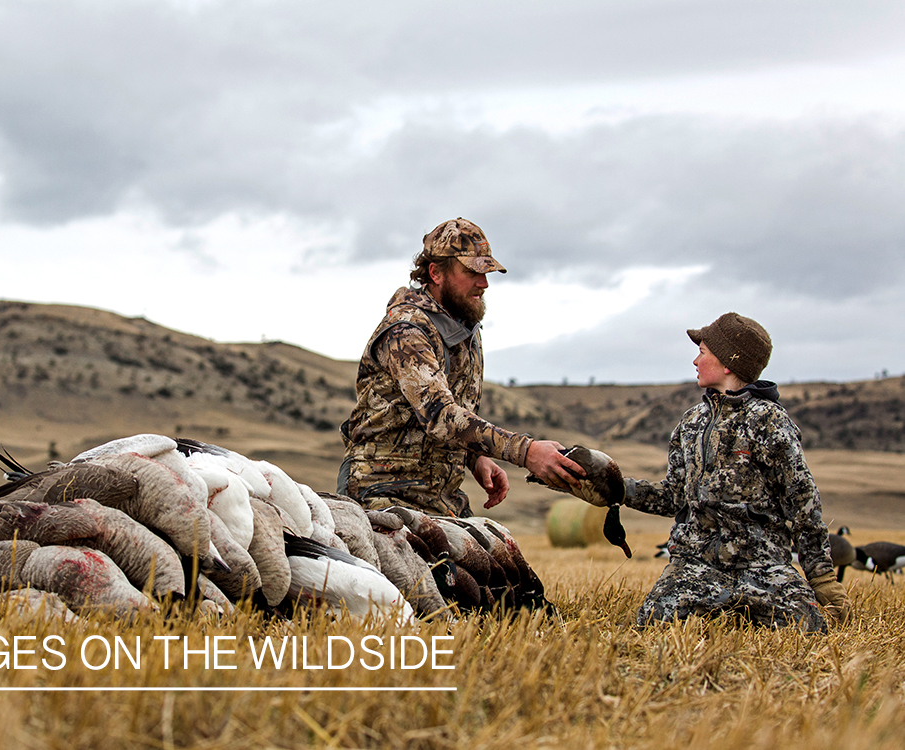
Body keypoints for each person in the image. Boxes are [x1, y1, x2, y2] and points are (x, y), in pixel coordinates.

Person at [592, 312, 850, 631]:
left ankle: (751, 608)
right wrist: (618, 488)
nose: (694, 361)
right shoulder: (690, 424)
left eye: (702, 352)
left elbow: (803, 504)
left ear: (728, 363)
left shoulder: (771, 423)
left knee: (808, 627)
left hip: (762, 564)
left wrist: (822, 577)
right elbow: (674, 497)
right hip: (695, 563)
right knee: (655, 622)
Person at [337, 217, 583, 518]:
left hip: (442, 498)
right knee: (444, 567)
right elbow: (441, 415)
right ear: (435, 273)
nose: (484, 283)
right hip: (382, 493)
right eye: (472, 272)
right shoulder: (406, 333)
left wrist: (474, 458)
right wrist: (527, 452)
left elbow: (445, 420)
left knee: (507, 565)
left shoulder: (464, 329)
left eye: (487, 272)